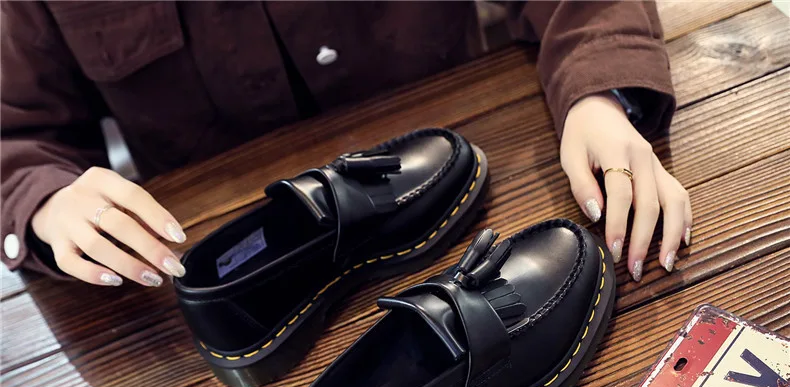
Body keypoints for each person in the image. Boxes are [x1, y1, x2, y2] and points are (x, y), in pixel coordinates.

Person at [1, 1, 690, 288]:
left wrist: (598, 91)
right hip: (236, 279)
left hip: (486, 201)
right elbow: (18, 132)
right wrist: (45, 202)